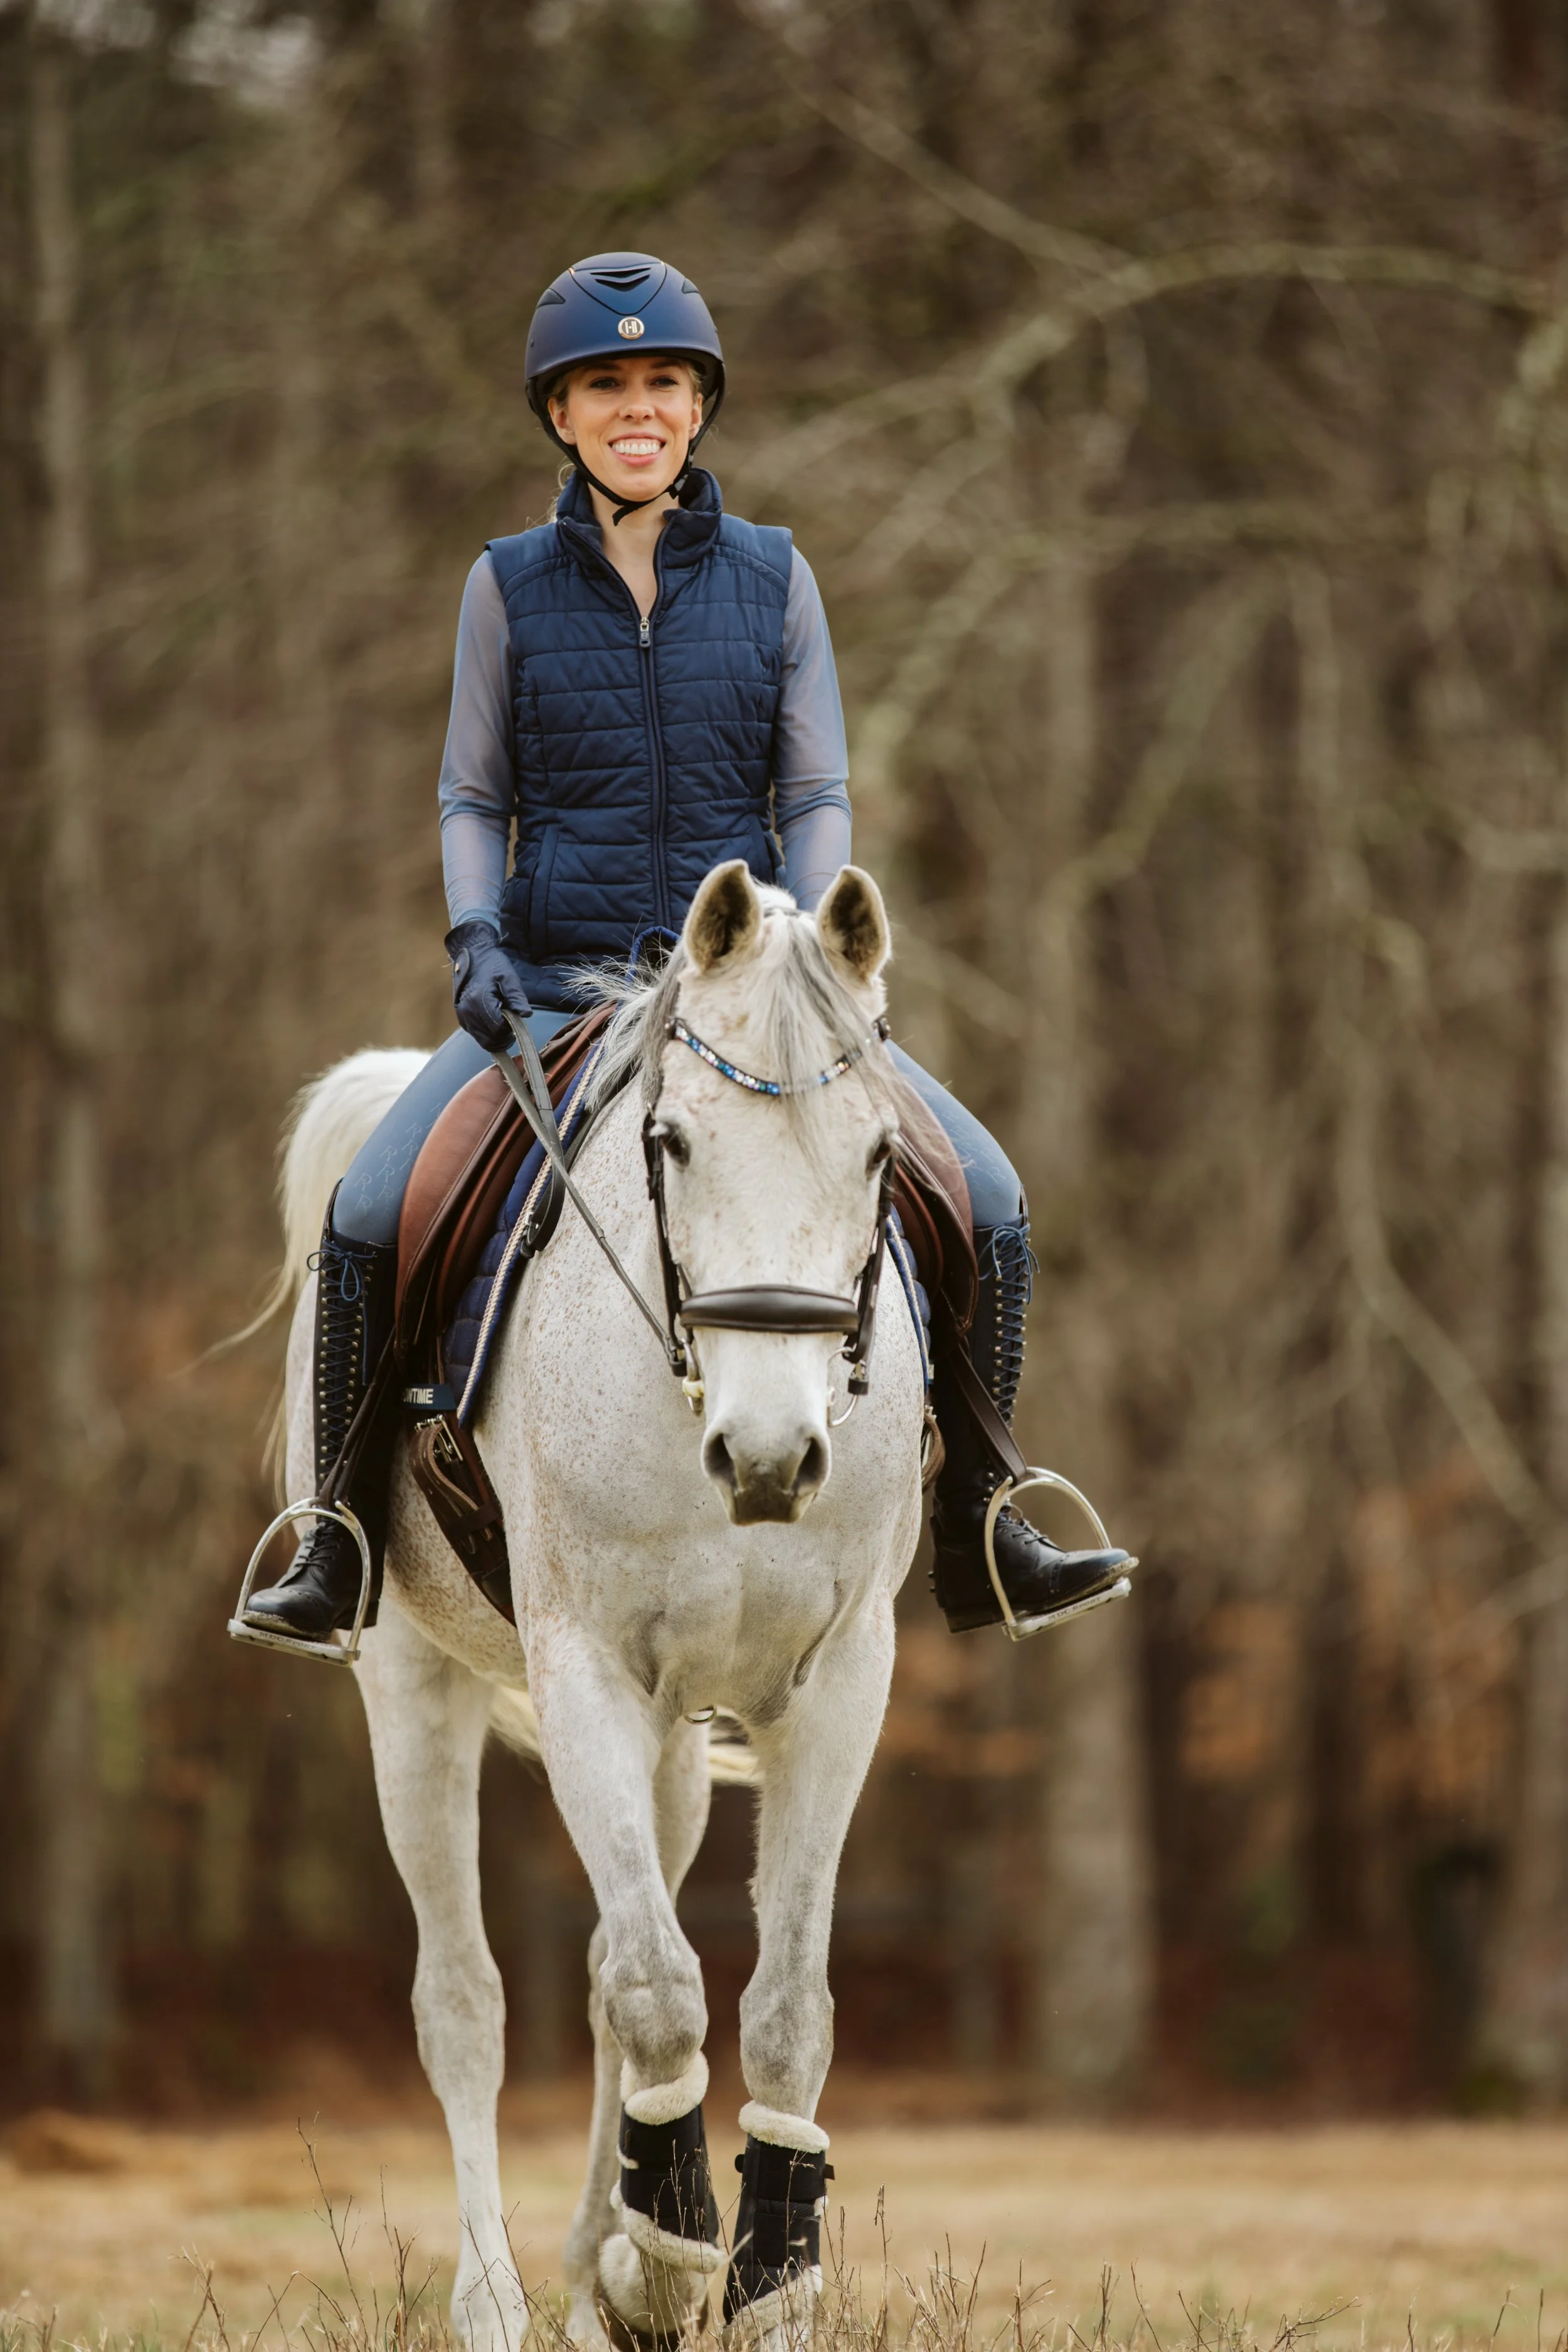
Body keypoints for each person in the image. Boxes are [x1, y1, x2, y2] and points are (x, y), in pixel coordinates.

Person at [241, 252, 1131, 1648]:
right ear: (561, 415)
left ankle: (983, 1519)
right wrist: (475, 933)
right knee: (365, 1214)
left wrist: (820, 958)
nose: (636, 406)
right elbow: (474, 792)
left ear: (699, 405)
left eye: (663, 382)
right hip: (552, 986)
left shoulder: (775, 578)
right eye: (606, 386)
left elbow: (816, 792)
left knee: (994, 1203)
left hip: (755, 1001)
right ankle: (342, 1539)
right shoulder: (506, 587)